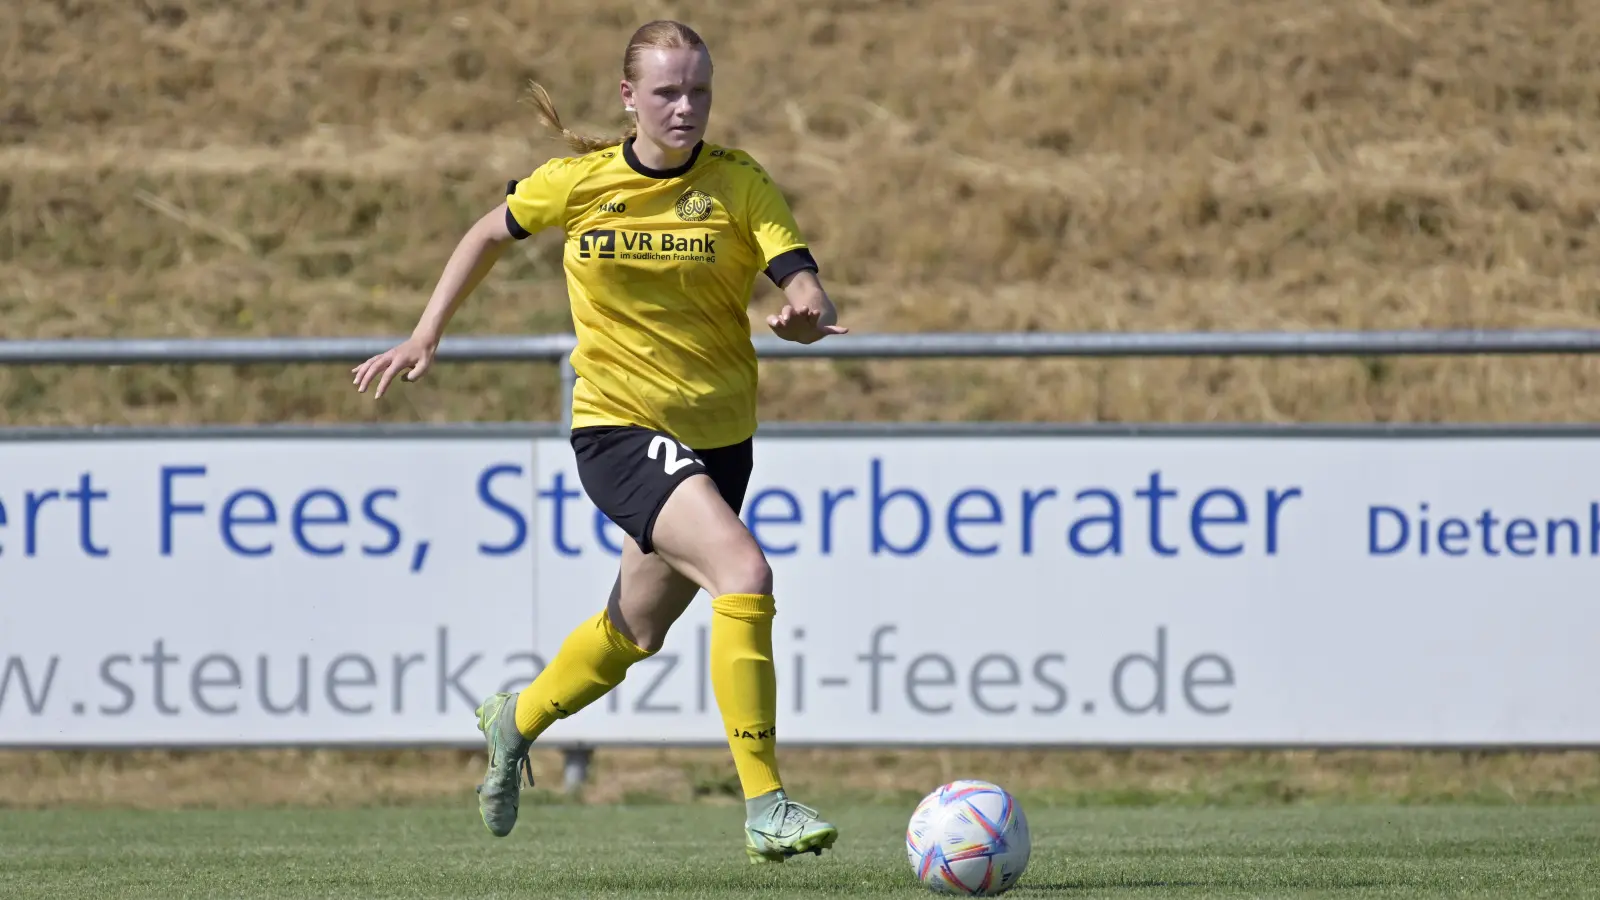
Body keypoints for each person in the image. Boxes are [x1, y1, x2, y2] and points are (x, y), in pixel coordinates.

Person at [350, 19, 847, 864]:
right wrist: (424, 333)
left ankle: (514, 721)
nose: (685, 107)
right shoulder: (578, 183)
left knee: (634, 632)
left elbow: (802, 280)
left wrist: (807, 315)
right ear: (629, 98)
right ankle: (765, 803)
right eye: (666, 92)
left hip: (720, 440)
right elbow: (484, 233)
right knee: (745, 571)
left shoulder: (738, 182)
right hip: (618, 427)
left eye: (698, 91)